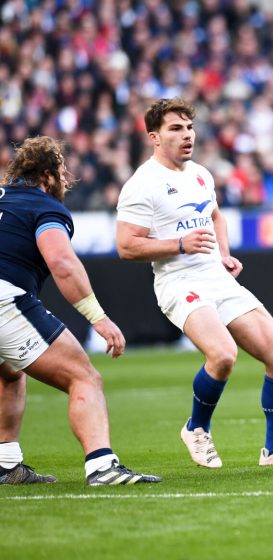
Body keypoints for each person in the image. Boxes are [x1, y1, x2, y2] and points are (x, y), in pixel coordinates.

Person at [116, 98, 273, 468]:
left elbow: (215, 216)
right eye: (176, 128)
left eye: (189, 126)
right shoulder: (142, 184)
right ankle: (196, 427)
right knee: (222, 355)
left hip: (214, 276)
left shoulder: (200, 174)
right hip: (177, 281)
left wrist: (223, 254)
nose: (187, 135)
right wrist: (178, 244)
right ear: (154, 137)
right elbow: (127, 246)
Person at [0, 136, 160, 485]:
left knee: (10, 371)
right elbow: (61, 262)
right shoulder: (44, 207)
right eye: (61, 170)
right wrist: (98, 318)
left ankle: (5, 463)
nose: (65, 178)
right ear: (47, 175)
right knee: (84, 377)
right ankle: (102, 466)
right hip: (5, 299)